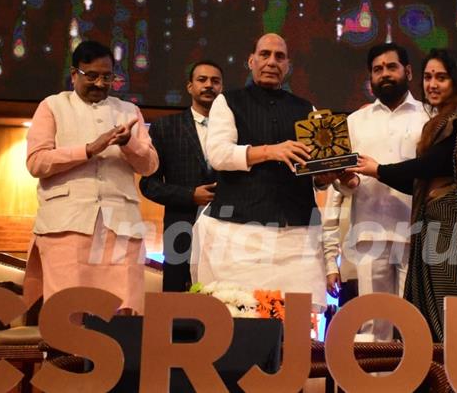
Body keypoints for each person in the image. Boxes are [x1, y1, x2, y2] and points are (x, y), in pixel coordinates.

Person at [351, 48, 457, 375]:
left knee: (453, 315)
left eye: (440, 77)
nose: (432, 84)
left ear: (455, 80)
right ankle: (435, 378)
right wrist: (373, 174)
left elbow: (435, 164)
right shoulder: (437, 123)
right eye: (429, 77)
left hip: (456, 235)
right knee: (429, 318)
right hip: (434, 230)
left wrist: (379, 170)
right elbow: (422, 182)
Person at [190, 33, 329, 309]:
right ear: (251, 61)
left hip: (297, 235)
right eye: (264, 55)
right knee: (237, 320)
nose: (271, 62)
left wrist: (329, 176)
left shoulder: (307, 109)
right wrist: (270, 151)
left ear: (288, 65)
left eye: (279, 56)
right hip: (238, 234)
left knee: (296, 329)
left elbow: (316, 174)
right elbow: (218, 154)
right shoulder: (228, 101)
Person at [23, 40, 158, 315]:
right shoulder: (52, 106)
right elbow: (37, 162)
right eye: (92, 76)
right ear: (74, 74)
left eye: (107, 77)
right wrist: (88, 149)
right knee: (68, 312)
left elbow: (150, 166)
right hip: (66, 227)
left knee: (124, 312)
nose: (99, 83)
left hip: (121, 227)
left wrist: (127, 143)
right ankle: (66, 360)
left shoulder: (128, 111)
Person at [328, 43, 429, 341]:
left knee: (415, 325)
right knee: (374, 326)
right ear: (370, 77)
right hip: (370, 232)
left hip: (418, 232)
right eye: (377, 69)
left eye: (391, 67)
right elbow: (340, 182)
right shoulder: (354, 122)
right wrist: (345, 181)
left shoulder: (428, 116)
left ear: (408, 71)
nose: (384, 74)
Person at [139, 61, 223, 291]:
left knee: (227, 306)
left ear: (222, 88)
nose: (209, 86)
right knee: (174, 309)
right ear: (189, 87)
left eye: (215, 81)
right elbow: (149, 185)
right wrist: (190, 195)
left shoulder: (235, 129)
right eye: (202, 80)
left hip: (226, 232)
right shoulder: (165, 128)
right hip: (180, 231)